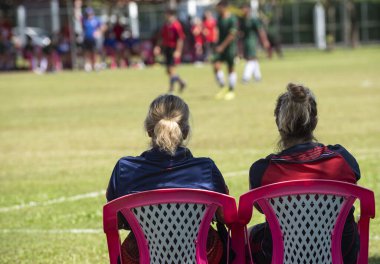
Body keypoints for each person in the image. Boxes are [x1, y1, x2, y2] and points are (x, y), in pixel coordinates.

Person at [106, 94, 229, 264]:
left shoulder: (125, 169)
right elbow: (226, 217)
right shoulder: (205, 169)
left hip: (142, 258)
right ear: (185, 132)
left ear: (149, 130)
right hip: (203, 256)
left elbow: (116, 221)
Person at [248, 83, 360, 264]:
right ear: (314, 121)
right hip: (341, 254)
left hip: (282, 256)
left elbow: (260, 208)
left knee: (250, 235)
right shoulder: (343, 161)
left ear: (278, 123)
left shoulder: (261, 170)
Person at [154, 9, 186, 93]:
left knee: (171, 69)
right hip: (167, 48)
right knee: (168, 70)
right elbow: (161, 37)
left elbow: (180, 39)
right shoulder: (166, 25)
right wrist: (158, 47)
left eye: (168, 15)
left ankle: (171, 89)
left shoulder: (176, 25)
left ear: (172, 15)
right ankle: (181, 82)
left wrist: (178, 51)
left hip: (173, 49)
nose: (166, 16)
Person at [213, 0, 238, 101]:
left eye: (219, 8)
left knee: (230, 68)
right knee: (216, 66)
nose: (218, 10)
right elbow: (217, 32)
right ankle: (223, 87)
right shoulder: (219, 18)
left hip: (229, 48)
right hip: (220, 47)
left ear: (224, 7)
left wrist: (222, 46)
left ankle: (231, 91)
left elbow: (232, 35)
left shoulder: (232, 19)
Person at [239, 4, 270, 84]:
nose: (242, 10)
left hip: (251, 42)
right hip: (245, 42)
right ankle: (257, 77)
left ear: (248, 9)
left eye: (244, 8)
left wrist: (265, 41)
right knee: (254, 59)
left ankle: (246, 77)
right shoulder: (242, 20)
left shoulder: (253, 20)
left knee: (250, 59)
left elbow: (260, 31)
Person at [82, 7, 102, 71]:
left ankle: (96, 65)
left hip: (94, 40)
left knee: (95, 52)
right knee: (87, 52)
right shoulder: (84, 20)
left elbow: (103, 26)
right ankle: (88, 65)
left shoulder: (96, 20)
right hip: (86, 39)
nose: (89, 15)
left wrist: (99, 31)